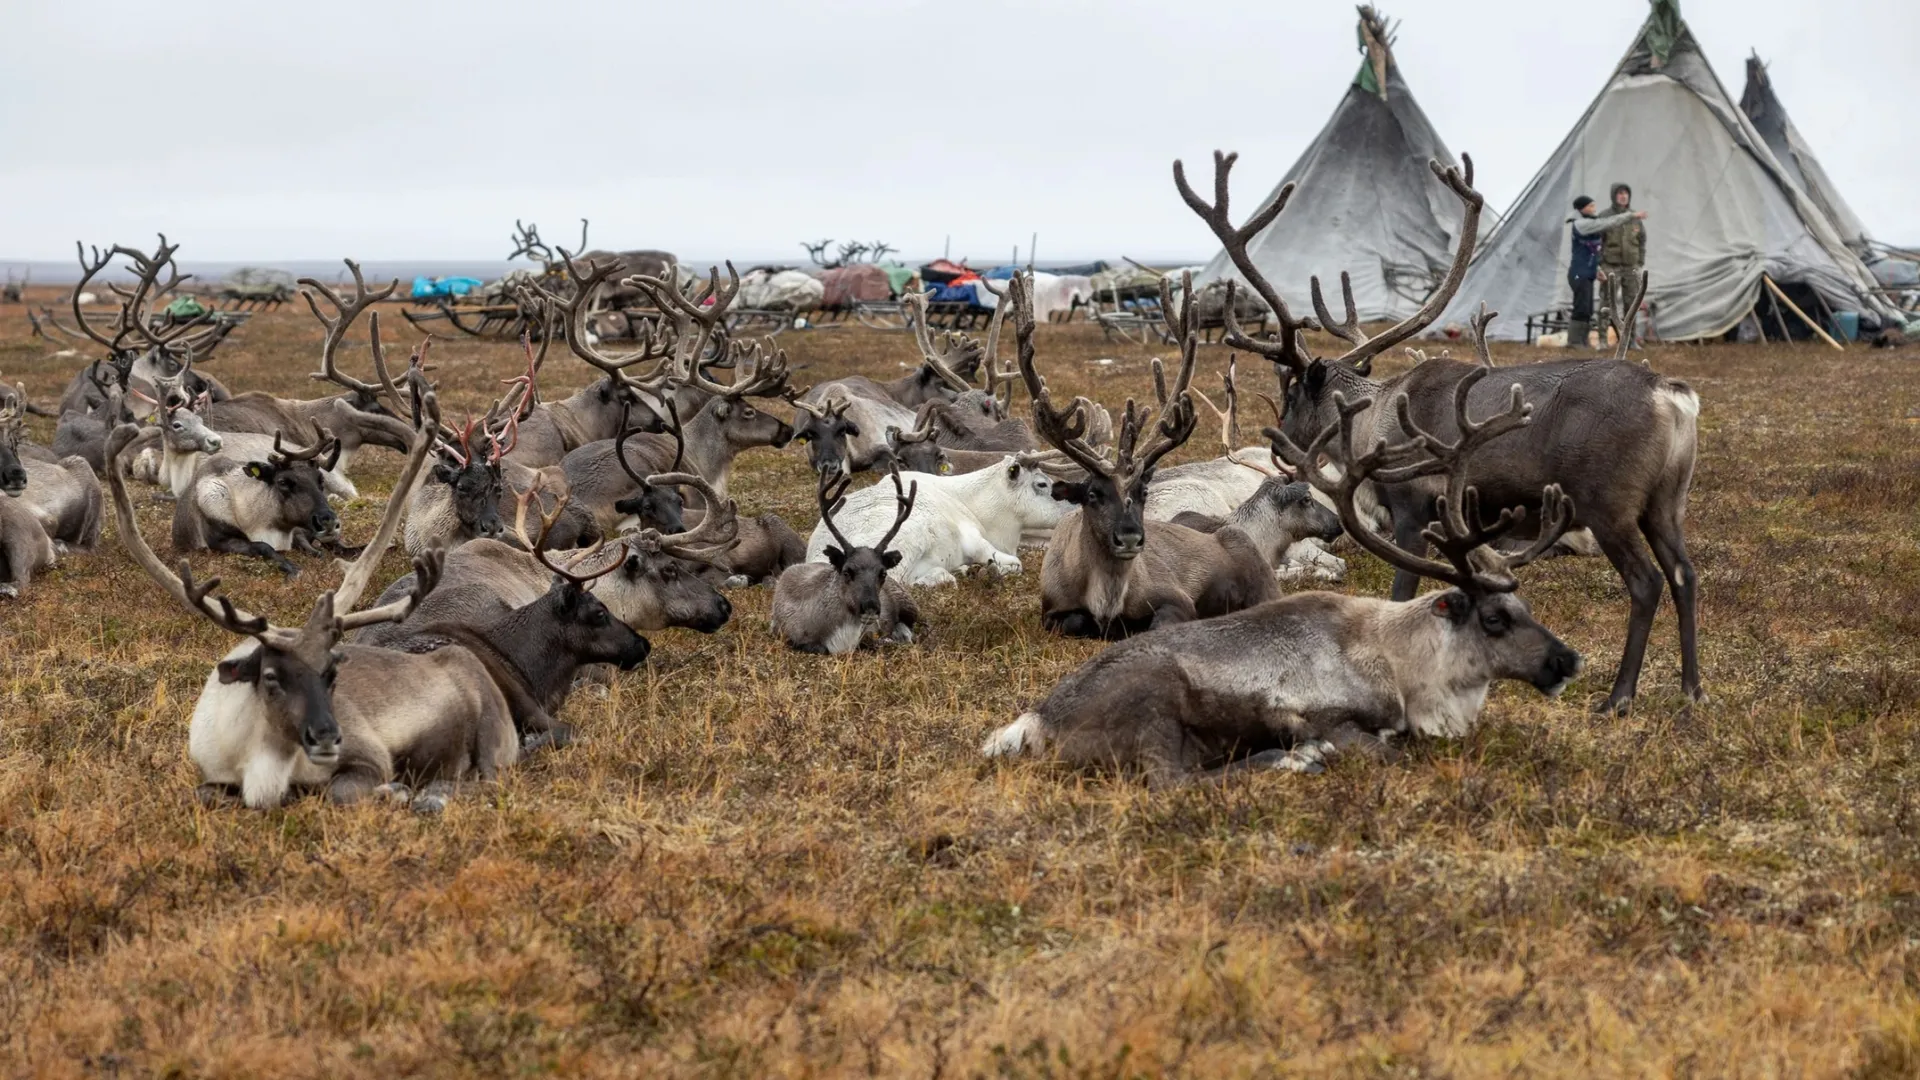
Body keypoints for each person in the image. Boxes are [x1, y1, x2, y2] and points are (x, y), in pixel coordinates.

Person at [1566, 195, 1640, 349]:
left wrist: (1597, 269)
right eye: (1591, 206)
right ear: (1582, 208)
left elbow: (1592, 251)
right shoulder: (1582, 224)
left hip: (1588, 272)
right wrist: (1630, 215)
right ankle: (1574, 341)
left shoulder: (1588, 223)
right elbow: (1605, 223)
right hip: (1579, 272)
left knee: (1587, 307)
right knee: (1581, 306)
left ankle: (1583, 341)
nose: (1594, 209)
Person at [1597, 183, 1648, 346]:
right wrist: (1599, 265)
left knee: (1632, 303)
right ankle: (1603, 340)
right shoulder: (1605, 216)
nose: (1623, 196)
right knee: (1607, 302)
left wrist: (1640, 260)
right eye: (1619, 193)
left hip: (1631, 266)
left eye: (1626, 193)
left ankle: (1630, 340)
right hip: (1610, 265)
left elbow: (1642, 240)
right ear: (1614, 196)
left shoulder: (1635, 217)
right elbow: (1598, 241)